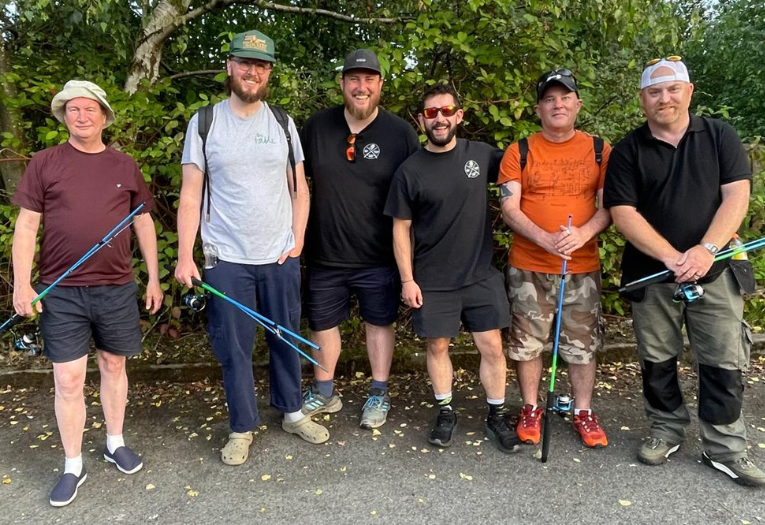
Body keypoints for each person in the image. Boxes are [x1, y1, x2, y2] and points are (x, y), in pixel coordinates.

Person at [604, 57, 764, 486]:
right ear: (642, 100)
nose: (664, 98)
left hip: (715, 271)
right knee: (657, 360)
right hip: (652, 275)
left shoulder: (719, 136)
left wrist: (706, 250)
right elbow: (622, 212)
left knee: (723, 363)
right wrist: (673, 257)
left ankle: (725, 447)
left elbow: (736, 197)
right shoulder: (628, 150)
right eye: (654, 92)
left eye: (672, 89)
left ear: (689, 92)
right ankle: (666, 429)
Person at [175, 29, 328, 467]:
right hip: (226, 257)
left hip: (278, 255)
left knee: (286, 336)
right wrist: (186, 254)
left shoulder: (282, 122)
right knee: (234, 347)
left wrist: (297, 239)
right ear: (229, 67)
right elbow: (190, 194)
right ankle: (241, 427)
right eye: (244, 63)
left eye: (260, 65)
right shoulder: (204, 122)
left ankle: (293, 412)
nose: (252, 71)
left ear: (269, 72)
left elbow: (301, 189)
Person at [11, 80, 163, 506]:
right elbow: (26, 226)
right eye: (73, 109)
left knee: (114, 365)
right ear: (64, 116)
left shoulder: (124, 165)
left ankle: (115, 442)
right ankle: (72, 464)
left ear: (104, 116)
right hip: (60, 291)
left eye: (90, 109)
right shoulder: (44, 162)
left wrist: (153, 277)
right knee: (68, 377)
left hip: (116, 287)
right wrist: (23, 284)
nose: (82, 116)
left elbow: (144, 222)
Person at [385, 84, 521, 453]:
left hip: (480, 273)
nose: (440, 118)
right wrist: (407, 279)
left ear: (459, 115)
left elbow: (525, 171)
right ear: (421, 120)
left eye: (446, 111)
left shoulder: (483, 155)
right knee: (438, 344)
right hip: (432, 278)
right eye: (431, 113)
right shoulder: (409, 171)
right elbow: (400, 228)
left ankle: (496, 415)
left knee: (492, 346)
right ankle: (445, 410)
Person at [299, 49, 420, 430]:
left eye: (369, 79)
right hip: (324, 254)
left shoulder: (401, 133)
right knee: (322, 325)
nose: (361, 86)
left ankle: (379, 392)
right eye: (354, 79)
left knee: (379, 323)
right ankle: (324, 391)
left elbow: (419, 192)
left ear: (381, 85)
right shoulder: (316, 127)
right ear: (342, 84)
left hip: (380, 256)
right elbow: (293, 183)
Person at [498, 69, 611, 449]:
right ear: (538, 108)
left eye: (565, 97)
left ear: (578, 104)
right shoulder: (520, 150)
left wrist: (581, 234)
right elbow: (509, 207)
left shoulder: (599, 149)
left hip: (582, 267)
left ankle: (582, 410)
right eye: (549, 99)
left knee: (583, 345)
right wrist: (545, 238)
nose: (557, 104)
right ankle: (531, 407)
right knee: (527, 344)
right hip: (530, 266)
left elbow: (610, 206)